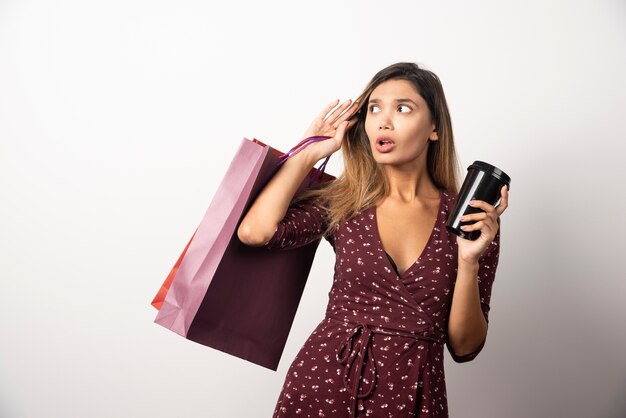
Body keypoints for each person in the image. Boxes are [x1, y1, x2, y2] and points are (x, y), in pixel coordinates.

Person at [237, 62, 509, 418]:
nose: (383, 120)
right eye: (374, 108)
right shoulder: (345, 200)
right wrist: (309, 151)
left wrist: (469, 259)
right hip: (322, 384)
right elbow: (254, 232)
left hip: (412, 395)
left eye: (403, 108)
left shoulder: (465, 217)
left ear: (434, 129)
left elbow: (465, 346)